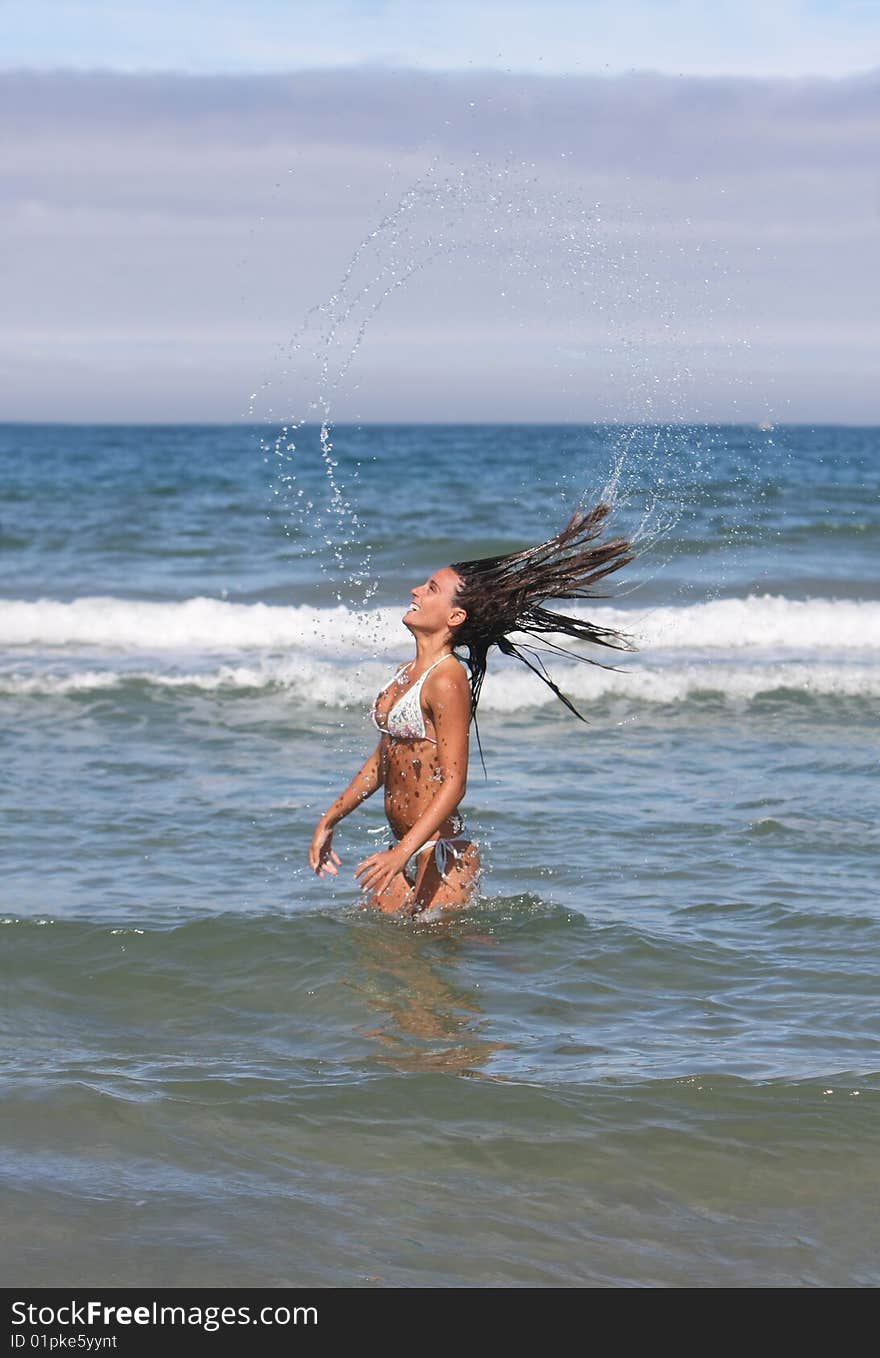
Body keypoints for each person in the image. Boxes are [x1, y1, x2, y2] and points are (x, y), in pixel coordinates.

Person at [308, 502, 634, 918]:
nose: (416, 591)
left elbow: (455, 783)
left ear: (455, 615)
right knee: (383, 966)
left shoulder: (447, 679)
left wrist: (403, 854)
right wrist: (330, 818)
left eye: (431, 589)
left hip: (440, 855)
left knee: (440, 970)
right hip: (405, 851)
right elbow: (382, 761)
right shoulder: (405, 673)